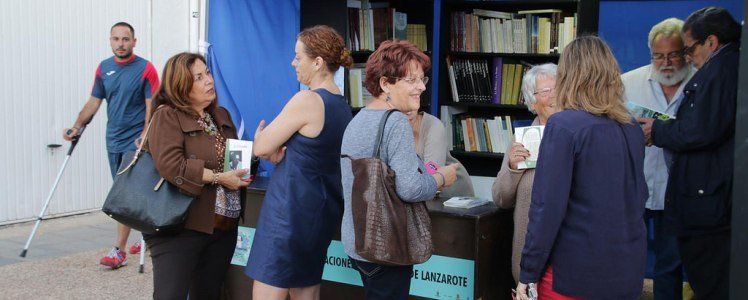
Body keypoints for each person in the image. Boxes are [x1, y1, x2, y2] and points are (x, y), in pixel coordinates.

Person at [515, 36, 648, 300]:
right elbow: (637, 198)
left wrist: (527, 274)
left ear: (569, 76)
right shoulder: (631, 127)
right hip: (627, 270)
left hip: (574, 274)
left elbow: (546, 208)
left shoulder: (564, 126)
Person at [341, 39, 459, 300]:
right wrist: (441, 177)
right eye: (411, 80)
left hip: (358, 243)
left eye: (422, 79)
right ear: (385, 84)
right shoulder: (395, 123)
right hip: (386, 246)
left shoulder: (358, 118)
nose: (420, 87)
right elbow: (410, 188)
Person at [245, 25, 353, 300]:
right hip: (320, 215)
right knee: (307, 290)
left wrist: (264, 142)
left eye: (298, 57)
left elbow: (261, 146)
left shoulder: (307, 100)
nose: (293, 62)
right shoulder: (342, 106)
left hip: (288, 215)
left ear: (317, 62)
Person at [639, 7, 740, 299]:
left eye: (686, 50)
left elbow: (703, 130)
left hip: (705, 197)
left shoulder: (719, 70)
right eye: (660, 55)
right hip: (668, 191)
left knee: (704, 273)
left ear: (711, 42)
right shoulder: (721, 67)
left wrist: (658, 131)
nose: (684, 58)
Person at [145, 52, 250, 299]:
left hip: (222, 228)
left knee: (208, 293)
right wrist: (218, 178)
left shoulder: (221, 115)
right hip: (181, 227)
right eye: (199, 77)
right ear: (181, 86)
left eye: (208, 73)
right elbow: (171, 165)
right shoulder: (167, 115)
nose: (209, 81)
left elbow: (233, 163)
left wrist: (257, 157)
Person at [62, 22, 159, 269]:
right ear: (110, 40)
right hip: (112, 139)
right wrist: (76, 126)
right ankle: (147, 235)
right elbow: (94, 103)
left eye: (125, 39)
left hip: (135, 141)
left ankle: (119, 250)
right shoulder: (104, 69)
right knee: (126, 190)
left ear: (134, 41)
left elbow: (153, 106)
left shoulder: (146, 69)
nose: (120, 44)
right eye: (116, 39)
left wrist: (145, 136)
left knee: (123, 193)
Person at [621, 18, 693, 300]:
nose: (665, 63)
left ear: (686, 52)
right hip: (634, 185)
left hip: (677, 190)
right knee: (625, 256)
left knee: (670, 264)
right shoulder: (628, 82)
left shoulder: (699, 81)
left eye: (673, 54)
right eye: (658, 56)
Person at [492, 63, 558, 283]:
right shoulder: (520, 141)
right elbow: (501, 199)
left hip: (566, 257)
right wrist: (512, 167)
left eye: (559, 88)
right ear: (532, 101)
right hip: (528, 256)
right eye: (547, 91)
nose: (555, 96)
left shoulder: (577, 137)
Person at [406, 110, 474, 198]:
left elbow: (432, 177)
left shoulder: (433, 126)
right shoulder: (391, 126)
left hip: (450, 197)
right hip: (419, 195)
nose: (409, 112)